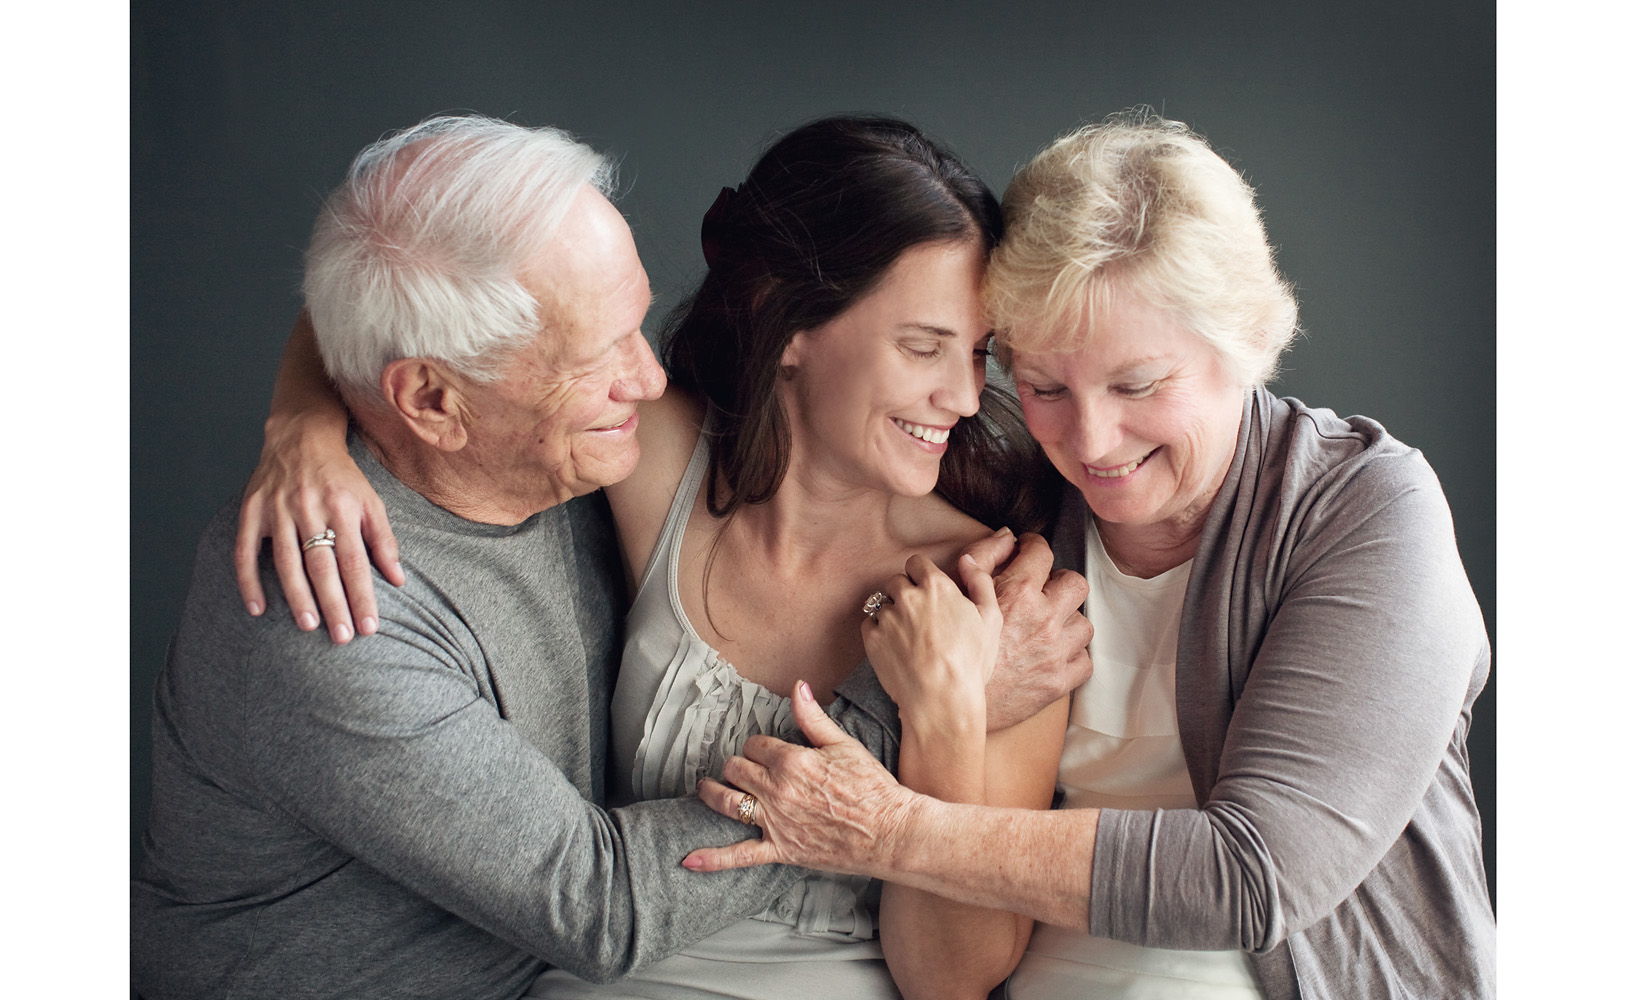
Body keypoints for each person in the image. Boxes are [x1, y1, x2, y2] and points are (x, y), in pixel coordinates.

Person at [133, 115, 1088, 1000]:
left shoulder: (579, 450)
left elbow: (386, 267)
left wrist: (298, 417)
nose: (650, 374)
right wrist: (936, 706)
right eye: (922, 347)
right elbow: (596, 904)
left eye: (980, 353)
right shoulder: (331, 597)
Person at [686, 112, 1496, 1000]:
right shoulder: (1015, 517)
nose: (1092, 440)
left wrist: (886, 829)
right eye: (1042, 386)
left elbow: (1255, 875)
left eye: (1138, 385)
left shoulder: (1366, 510)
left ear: (1243, 345)